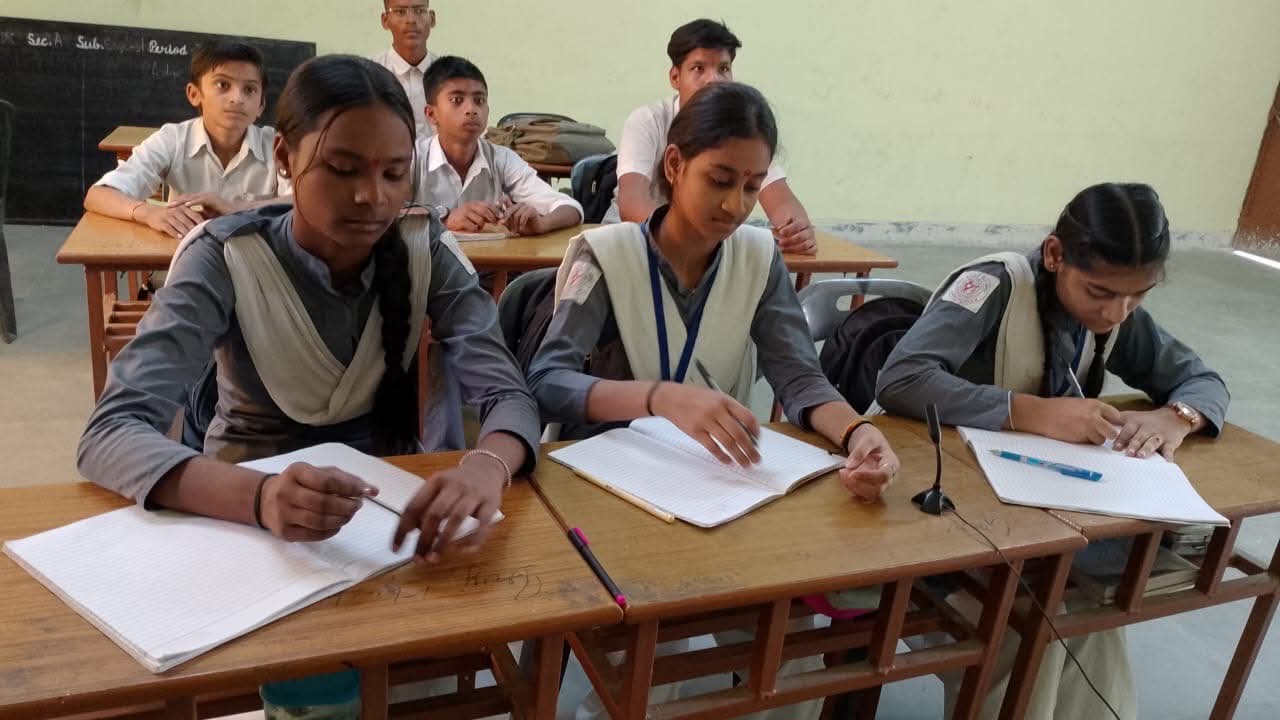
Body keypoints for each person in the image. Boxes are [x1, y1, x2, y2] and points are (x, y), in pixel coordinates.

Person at [77, 54, 539, 720]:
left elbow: (509, 392)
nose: (372, 197)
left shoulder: (423, 248)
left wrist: (487, 465)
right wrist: (261, 496)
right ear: (286, 160)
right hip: (244, 516)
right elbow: (112, 431)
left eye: (393, 172)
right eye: (343, 169)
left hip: (386, 521)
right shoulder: (226, 255)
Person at [528, 81, 899, 720]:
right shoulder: (606, 254)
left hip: (717, 483)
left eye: (752, 187)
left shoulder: (758, 259)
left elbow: (801, 380)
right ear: (674, 165)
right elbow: (548, 381)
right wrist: (659, 398)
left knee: (788, 658)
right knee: (654, 661)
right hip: (617, 493)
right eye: (719, 179)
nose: (735, 205)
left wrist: (857, 434)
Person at [876, 182, 1229, 719]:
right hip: (941, 528)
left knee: (1090, 624)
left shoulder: (1110, 309)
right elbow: (901, 379)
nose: (1117, 312)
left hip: (1031, 530)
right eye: (1100, 293)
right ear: (1054, 254)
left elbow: (1200, 378)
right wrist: (1030, 411)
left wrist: (1175, 417)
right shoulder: (990, 286)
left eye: (1138, 296)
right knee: (1025, 632)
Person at [605, 18, 817, 256]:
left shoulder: (743, 128)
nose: (713, 80)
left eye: (723, 69)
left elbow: (782, 203)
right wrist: (687, 241)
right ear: (675, 77)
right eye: (698, 69)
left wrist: (796, 231)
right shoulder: (646, 121)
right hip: (635, 245)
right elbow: (632, 203)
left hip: (705, 248)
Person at [85, 41, 290, 239]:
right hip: (186, 257)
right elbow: (99, 195)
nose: (237, 98)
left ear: (261, 105)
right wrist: (149, 213)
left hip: (254, 259)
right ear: (194, 94)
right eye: (223, 84)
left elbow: (304, 203)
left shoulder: (277, 146)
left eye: (249, 89)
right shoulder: (173, 139)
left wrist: (235, 209)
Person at [414, 56, 583, 236]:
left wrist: (541, 223)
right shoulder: (413, 159)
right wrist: (445, 219)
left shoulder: (502, 158)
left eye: (479, 100)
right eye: (457, 100)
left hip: (488, 262)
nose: (471, 109)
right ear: (431, 114)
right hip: (425, 264)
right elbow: (386, 215)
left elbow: (570, 208)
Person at [371, 0, 439, 138]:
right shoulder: (369, 73)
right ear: (385, 20)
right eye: (400, 12)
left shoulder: (448, 73)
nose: (411, 20)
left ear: (432, 18)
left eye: (419, 11)